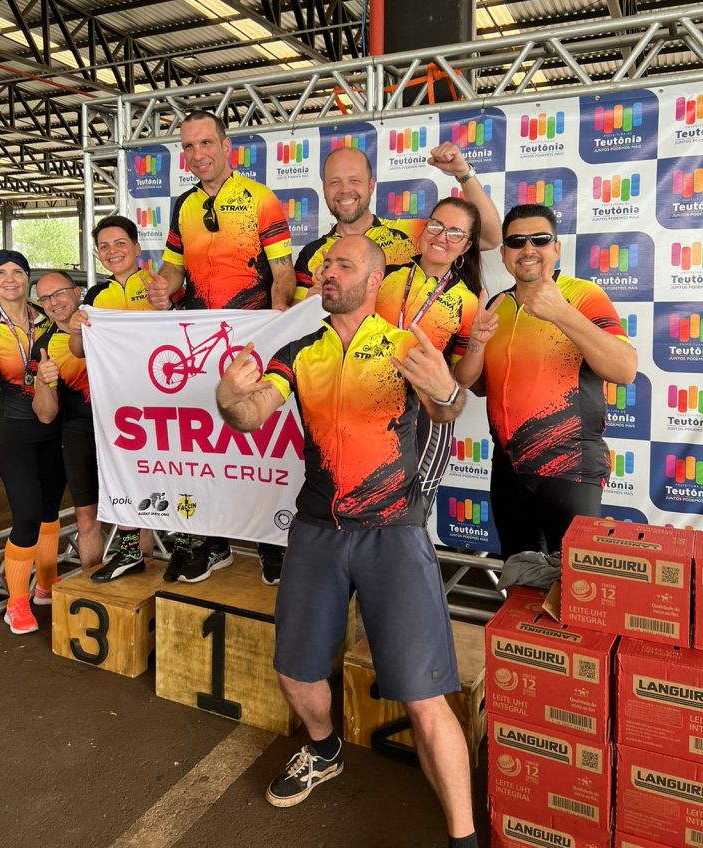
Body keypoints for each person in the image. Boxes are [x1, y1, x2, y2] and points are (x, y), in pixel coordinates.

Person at [216, 236, 479, 848]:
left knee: (426, 697)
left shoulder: (405, 345)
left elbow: (446, 409)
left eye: (342, 265)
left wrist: (446, 392)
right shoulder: (299, 351)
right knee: (295, 672)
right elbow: (251, 414)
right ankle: (324, 747)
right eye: (323, 266)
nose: (326, 274)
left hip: (393, 532)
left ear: (375, 278)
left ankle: (464, 838)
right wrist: (228, 397)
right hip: (317, 531)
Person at [146, 109, 296, 586]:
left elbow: (284, 271)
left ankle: (273, 542)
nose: (197, 154)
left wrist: (276, 324)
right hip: (201, 336)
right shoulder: (183, 205)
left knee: (262, 445)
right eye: (189, 146)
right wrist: (163, 287)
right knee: (209, 447)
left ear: (227, 146)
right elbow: (174, 268)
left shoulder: (260, 198)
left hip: (251, 338)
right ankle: (214, 544)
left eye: (206, 143)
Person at [467, 203, 638, 558]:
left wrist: (561, 313)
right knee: (519, 577)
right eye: (517, 242)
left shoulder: (582, 294)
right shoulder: (496, 305)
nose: (528, 249)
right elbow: (483, 387)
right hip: (508, 469)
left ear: (556, 248)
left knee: (576, 583)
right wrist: (474, 347)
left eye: (540, 239)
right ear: (503, 254)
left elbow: (624, 370)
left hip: (570, 467)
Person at [376, 196, 502, 503]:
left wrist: (478, 342)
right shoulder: (383, 276)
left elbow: (462, 379)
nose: (442, 237)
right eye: (436, 226)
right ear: (424, 229)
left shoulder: (467, 301)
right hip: (371, 401)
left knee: (411, 508)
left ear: (467, 246)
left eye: (455, 233)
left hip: (426, 413)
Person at [0, 250, 66, 636]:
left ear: (27, 278)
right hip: (15, 432)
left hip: (53, 426)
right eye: (1, 273)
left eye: (17, 272)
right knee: (25, 515)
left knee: (50, 511)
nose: (10, 279)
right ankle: (17, 601)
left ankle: (46, 584)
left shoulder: (48, 317)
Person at [68, 215, 160, 582]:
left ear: (136, 247)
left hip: (160, 401)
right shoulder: (95, 295)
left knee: (166, 476)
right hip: (115, 405)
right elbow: (79, 351)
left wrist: (167, 306)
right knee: (124, 475)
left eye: (120, 243)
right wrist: (76, 330)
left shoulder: (158, 283)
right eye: (104, 246)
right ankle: (131, 553)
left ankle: (182, 548)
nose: (112, 251)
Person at [293, 141, 501, 300]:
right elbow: (294, 321)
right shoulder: (312, 254)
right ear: (324, 190)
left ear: (371, 186)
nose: (345, 190)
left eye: (354, 180)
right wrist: (313, 301)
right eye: (334, 182)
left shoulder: (412, 232)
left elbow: (490, 238)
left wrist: (463, 172)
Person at [31, 271, 102, 569]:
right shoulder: (43, 346)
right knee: (86, 517)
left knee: (136, 514)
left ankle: (141, 580)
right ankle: (91, 586)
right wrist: (43, 382)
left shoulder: (104, 319)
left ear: (76, 292)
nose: (53, 302)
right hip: (79, 432)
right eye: (45, 298)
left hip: (125, 427)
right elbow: (45, 414)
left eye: (58, 293)